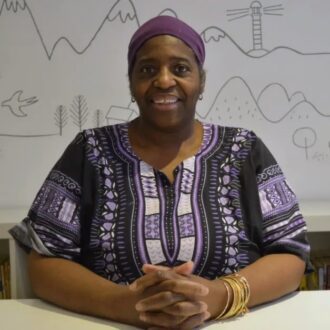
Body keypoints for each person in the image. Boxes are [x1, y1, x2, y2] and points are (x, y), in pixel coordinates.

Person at [10, 15, 312, 329]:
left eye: (180, 68)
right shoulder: (89, 151)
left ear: (201, 81)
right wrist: (123, 305)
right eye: (147, 69)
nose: (164, 81)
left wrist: (219, 297)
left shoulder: (245, 150)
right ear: (131, 82)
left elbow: (290, 253)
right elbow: (45, 260)